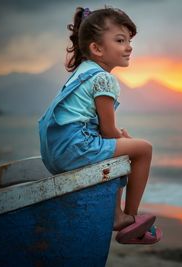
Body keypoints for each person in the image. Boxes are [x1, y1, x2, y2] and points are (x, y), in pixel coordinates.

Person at [38, 6, 162, 245]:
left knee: (121, 150)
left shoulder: (83, 72)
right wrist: (124, 140)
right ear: (96, 48)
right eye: (120, 40)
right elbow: (107, 131)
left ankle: (116, 215)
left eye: (129, 40)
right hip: (75, 148)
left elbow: (101, 130)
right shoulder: (104, 78)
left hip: (54, 153)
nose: (129, 46)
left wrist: (121, 140)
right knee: (143, 149)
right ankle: (129, 217)